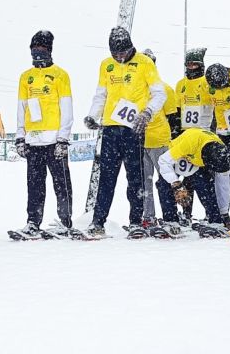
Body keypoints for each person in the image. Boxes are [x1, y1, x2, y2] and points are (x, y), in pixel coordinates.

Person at [82, 27, 166, 237]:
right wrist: (93, 116)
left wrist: (146, 113)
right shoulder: (106, 65)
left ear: (131, 47)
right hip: (111, 128)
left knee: (135, 177)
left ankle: (136, 222)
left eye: (123, 53)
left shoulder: (145, 63)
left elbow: (159, 94)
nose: (119, 57)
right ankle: (97, 222)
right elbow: (101, 94)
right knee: (106, 177)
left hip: (134, 129)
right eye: (115, 53)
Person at [12, 30, 75, 237]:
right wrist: (20, 137)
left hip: (55, 141)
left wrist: (63, 139)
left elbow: (67, 109)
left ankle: (65, 221)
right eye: (34, 50)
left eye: (41, 50)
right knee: (35, 185)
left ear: (49, 51)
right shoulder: (26, 77)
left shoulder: (60, 75)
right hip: (33, 141)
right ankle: (33, 221)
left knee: (61, 183)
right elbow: (21, 108)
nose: (37, 54)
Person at [136, 48, 182, 236]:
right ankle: (148, 216)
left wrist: (174, 142)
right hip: (140, 142)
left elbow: (173, 118)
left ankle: (170, 217)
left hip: (160, 141)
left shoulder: (164, 88)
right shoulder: (135, 90)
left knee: (164, 181)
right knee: (143, 182)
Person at [156, 129, 230, 237]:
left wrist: (224, 214)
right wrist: (176, 184)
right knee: (163, 184)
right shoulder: (189, 143)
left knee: (206, 187)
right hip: (180, 155)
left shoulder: (223, 154)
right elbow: (163, 161)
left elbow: (223, 186)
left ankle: (216, 220)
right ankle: (170, 220)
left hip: (197, 158)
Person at [173, 47, 214, 220]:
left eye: (194, 64)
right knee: (186, 176)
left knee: (203, 178)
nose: (191, 67)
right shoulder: (180, 84)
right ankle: (186, 213)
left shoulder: (207, 82)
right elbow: (177, 109)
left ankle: (210, 214)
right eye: (188, 64)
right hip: (184, 135)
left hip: (203, 137)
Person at [205, 62, 230, 229]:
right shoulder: (208, 86)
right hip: (221, 132)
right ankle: (220, 212)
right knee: (222, 174)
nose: (218, 89)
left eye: (222, 86)